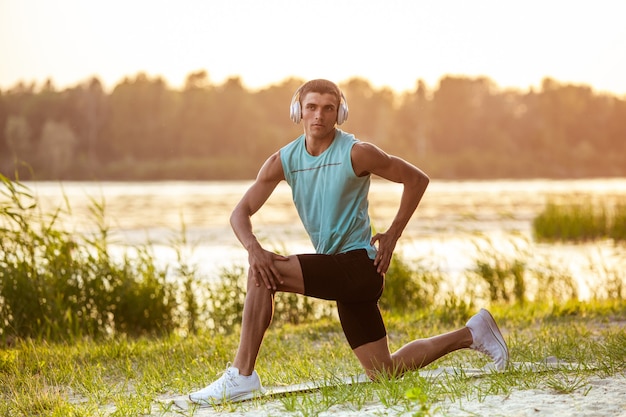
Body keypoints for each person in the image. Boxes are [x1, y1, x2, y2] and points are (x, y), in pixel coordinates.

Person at [189, 79, 508, 404]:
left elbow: (416, 179)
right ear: (297, 110)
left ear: (339, 113)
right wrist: (253, 248)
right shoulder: (283, 161)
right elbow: (239, 213)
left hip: (358, 266)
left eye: (328, 108)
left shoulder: (357, 153)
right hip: (338, 271)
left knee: (263, 273)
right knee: (384, 371)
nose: (319, 116)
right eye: (311, 107)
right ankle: (473, 333)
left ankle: (242, 375)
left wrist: (392, 234)